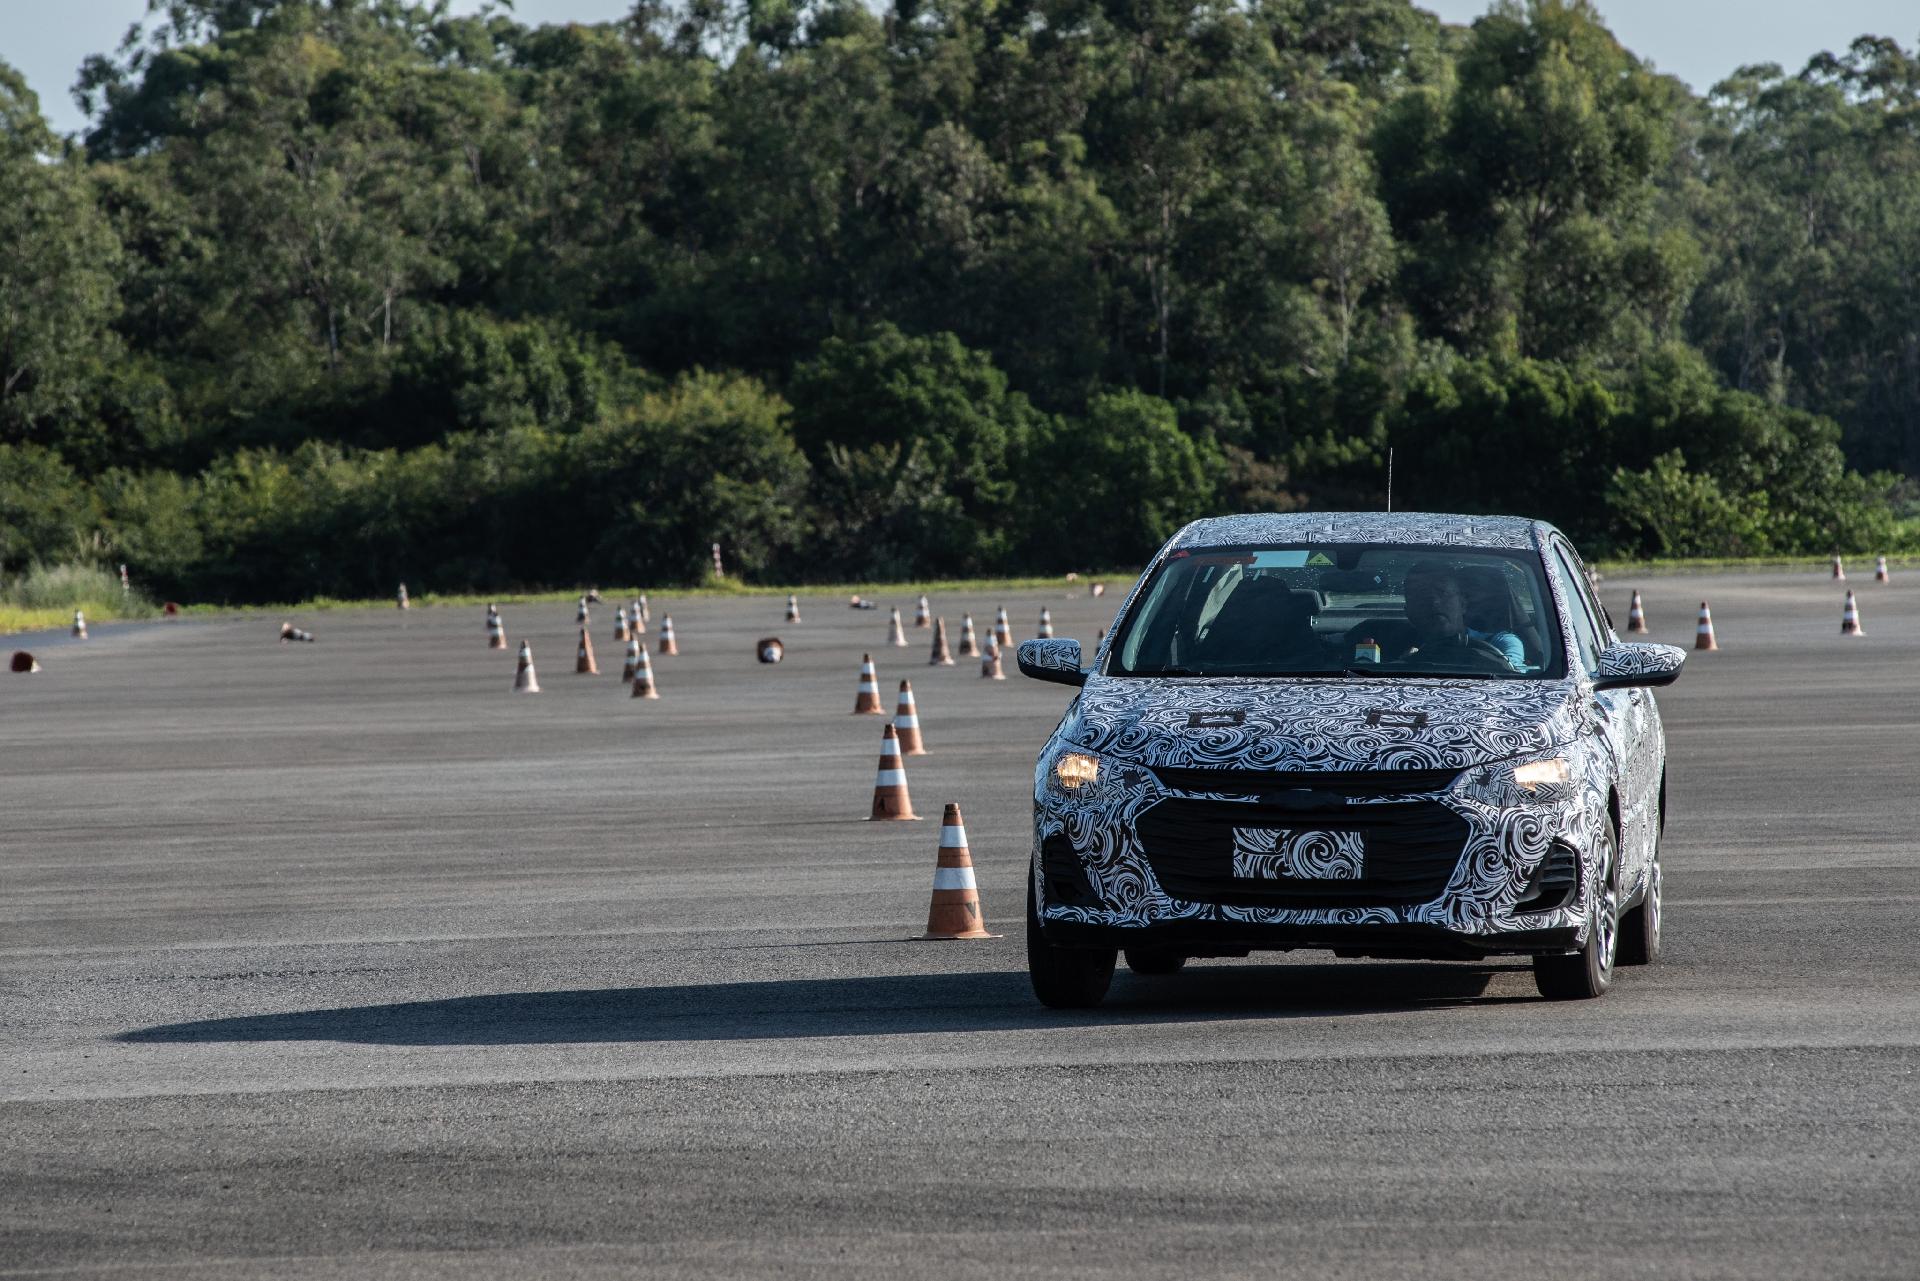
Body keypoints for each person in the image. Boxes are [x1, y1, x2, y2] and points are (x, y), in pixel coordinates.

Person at [1401, 562, 1525, 672]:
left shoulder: (1501, 643)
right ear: (1408, 613)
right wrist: (1404, 665)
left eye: (1442, 592)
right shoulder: (1388, 649)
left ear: (1463, 604)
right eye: (1422, 596)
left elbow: (1513, 678)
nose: (1434, 602)